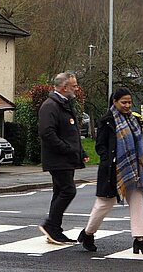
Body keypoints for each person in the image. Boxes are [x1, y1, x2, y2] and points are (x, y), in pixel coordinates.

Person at [78, 87, 143, 255]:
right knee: (104, 205)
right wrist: (110, 160)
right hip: (113, 171)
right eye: (124, 102)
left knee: (137, 204)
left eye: (129, 102)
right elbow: (100, 146)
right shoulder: (107, 120)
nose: (127, 105)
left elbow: (139, 143)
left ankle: (140, 240)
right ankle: (88, 234)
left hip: (134, 169)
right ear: (115, 102)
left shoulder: (134, 120)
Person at [38, 72, 89, 245]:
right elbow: (47, 133)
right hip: (58, 159)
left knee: (60, 192)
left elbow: (71, 133)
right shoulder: (51, 106)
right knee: (68, 191)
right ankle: (51, 225)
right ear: (64, 87)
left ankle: (54, 231)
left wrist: (80, 152)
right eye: (74, 86)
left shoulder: (64, 104)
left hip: (65, 158)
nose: (77, 88)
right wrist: (66, 149)